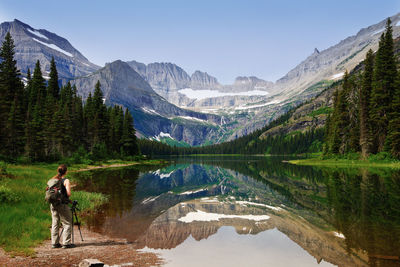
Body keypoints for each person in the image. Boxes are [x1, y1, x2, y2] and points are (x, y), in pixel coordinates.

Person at [49, 164, 75, 249]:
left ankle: (55, 243)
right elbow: (68, 193)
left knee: (55, 223)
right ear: (66, 171)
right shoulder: (66, 180)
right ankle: (66, 243)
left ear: (58, 171)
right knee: (67, 222)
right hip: (62, 204)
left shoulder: (53, 179)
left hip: (53, 204)